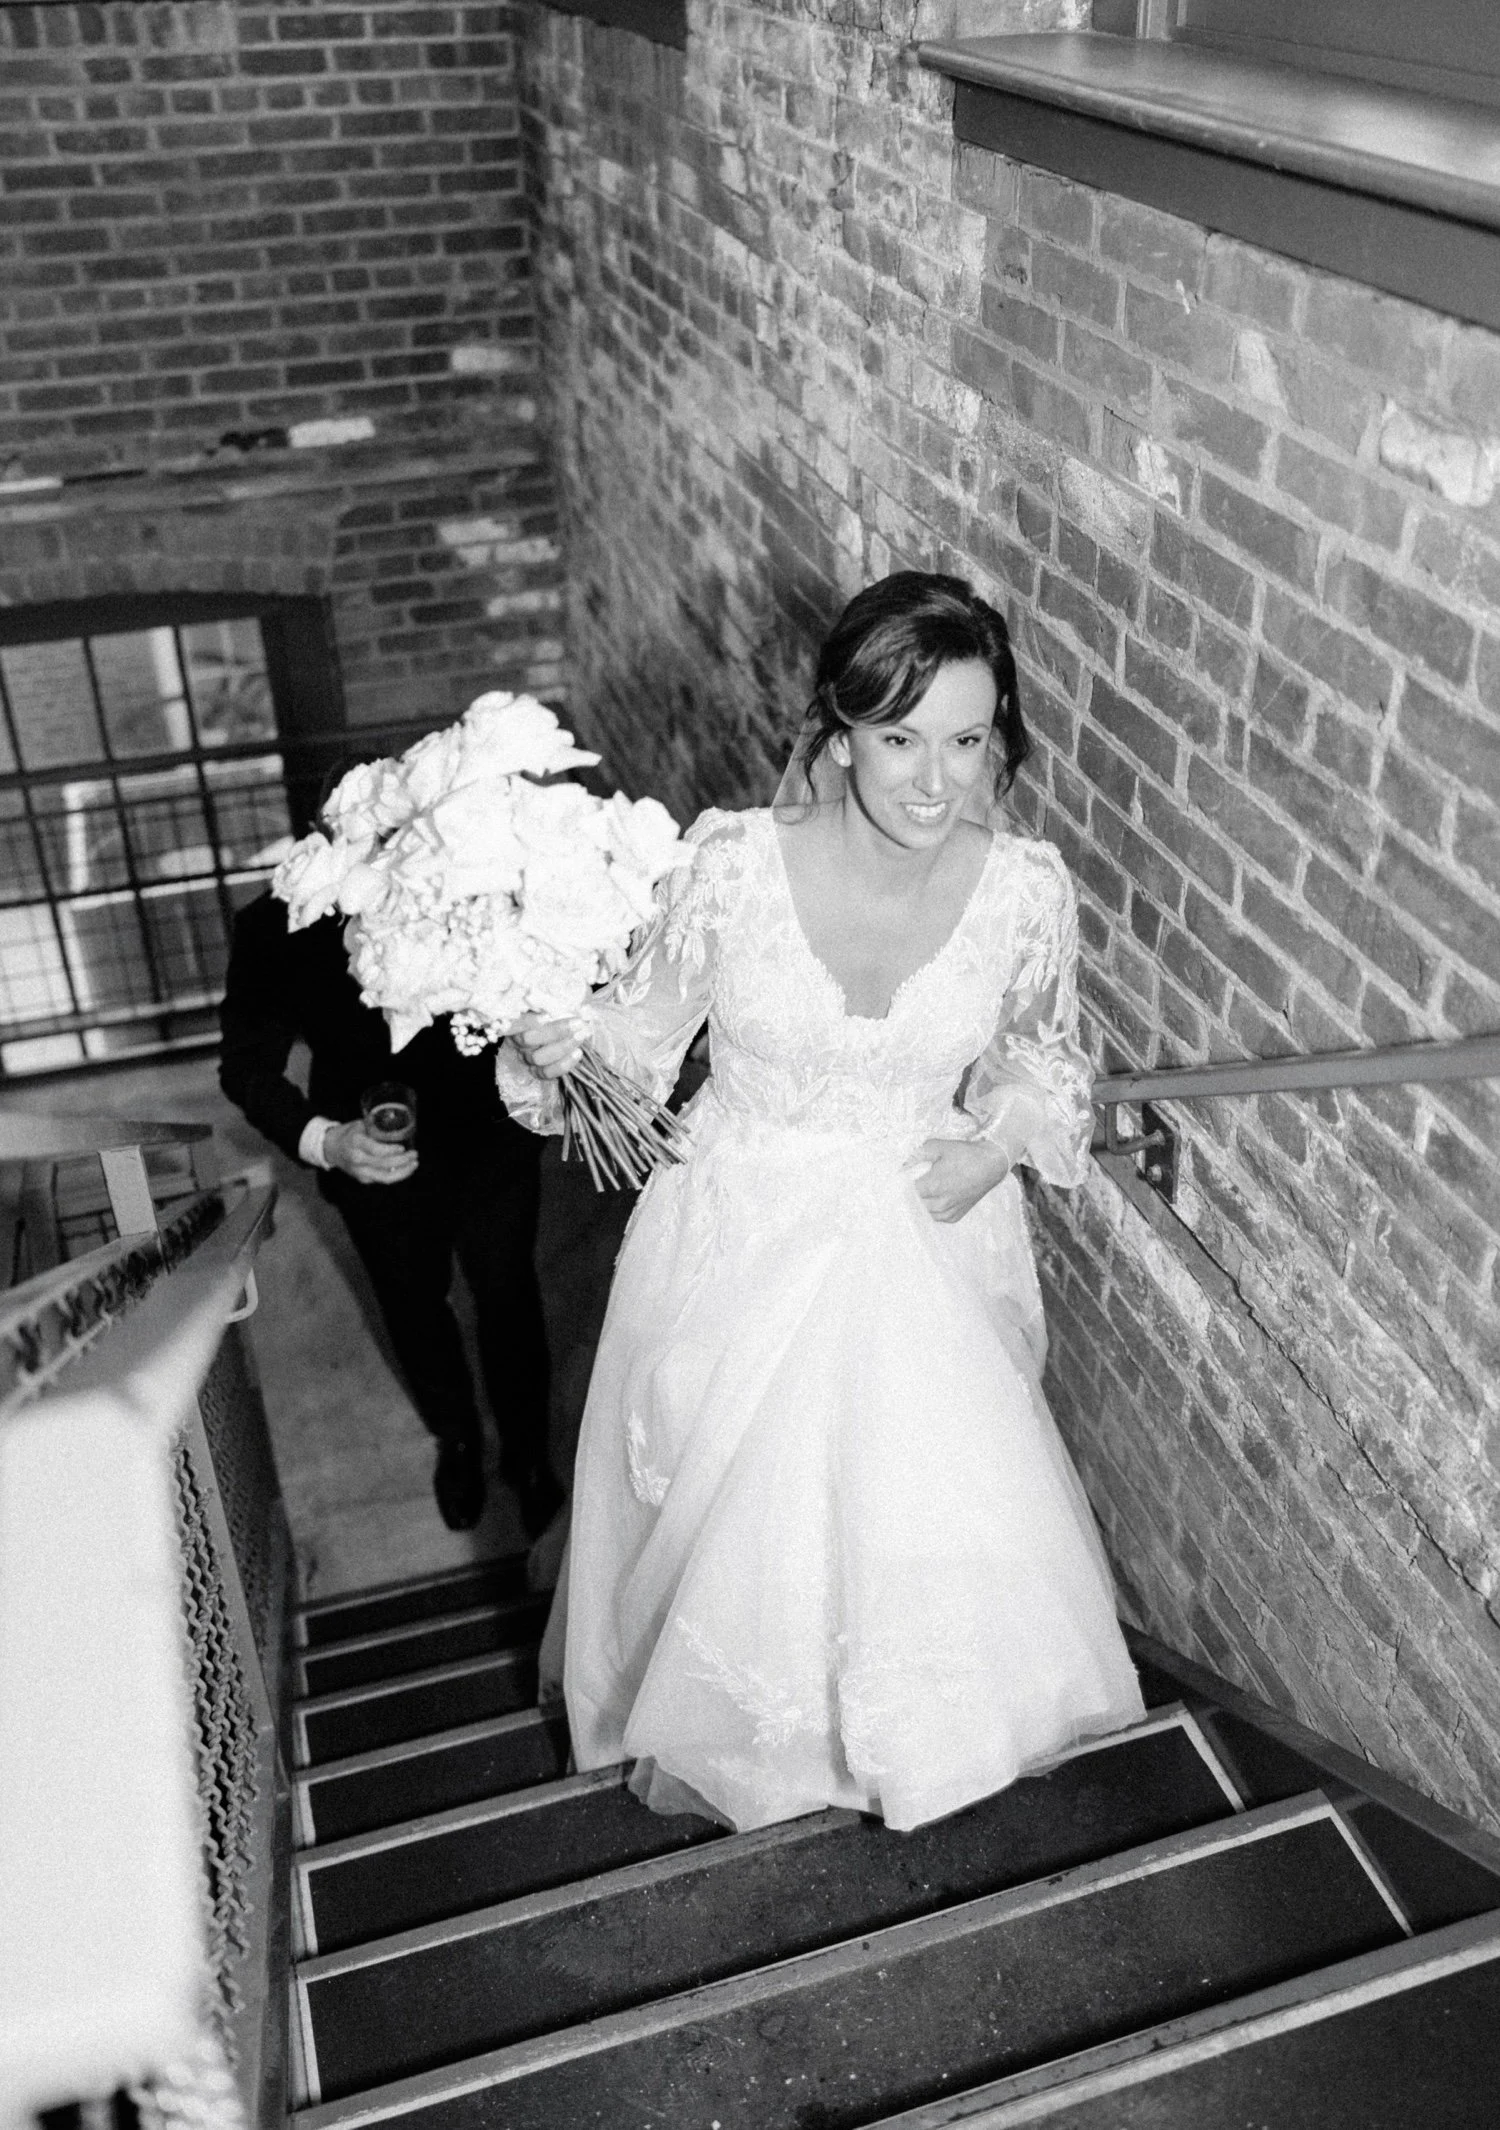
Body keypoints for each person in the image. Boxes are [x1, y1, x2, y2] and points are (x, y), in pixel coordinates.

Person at [503, 571, 1144, 1832]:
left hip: (922, 1247)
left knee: (908, 1532)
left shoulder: (1027, 893)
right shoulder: (732, 866)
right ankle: (753, 1751)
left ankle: (900, 1752)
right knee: (737, 1533)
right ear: (839, 730)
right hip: (734, 1240)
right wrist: (550, 1043)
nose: (932, 779)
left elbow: (1043, 1057)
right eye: (899, 737)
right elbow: (632, 1050)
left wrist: (998, 1140)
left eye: (966, 741)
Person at [219, 886, 563, 1538]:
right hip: (372, 1154)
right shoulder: (278, 920)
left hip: (490, 1138)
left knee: (508, 1296)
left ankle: (529, 1456)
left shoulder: (481, 877)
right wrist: (328, 1140)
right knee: (411, 1305)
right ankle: (455, 1439)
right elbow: (244, 1065)